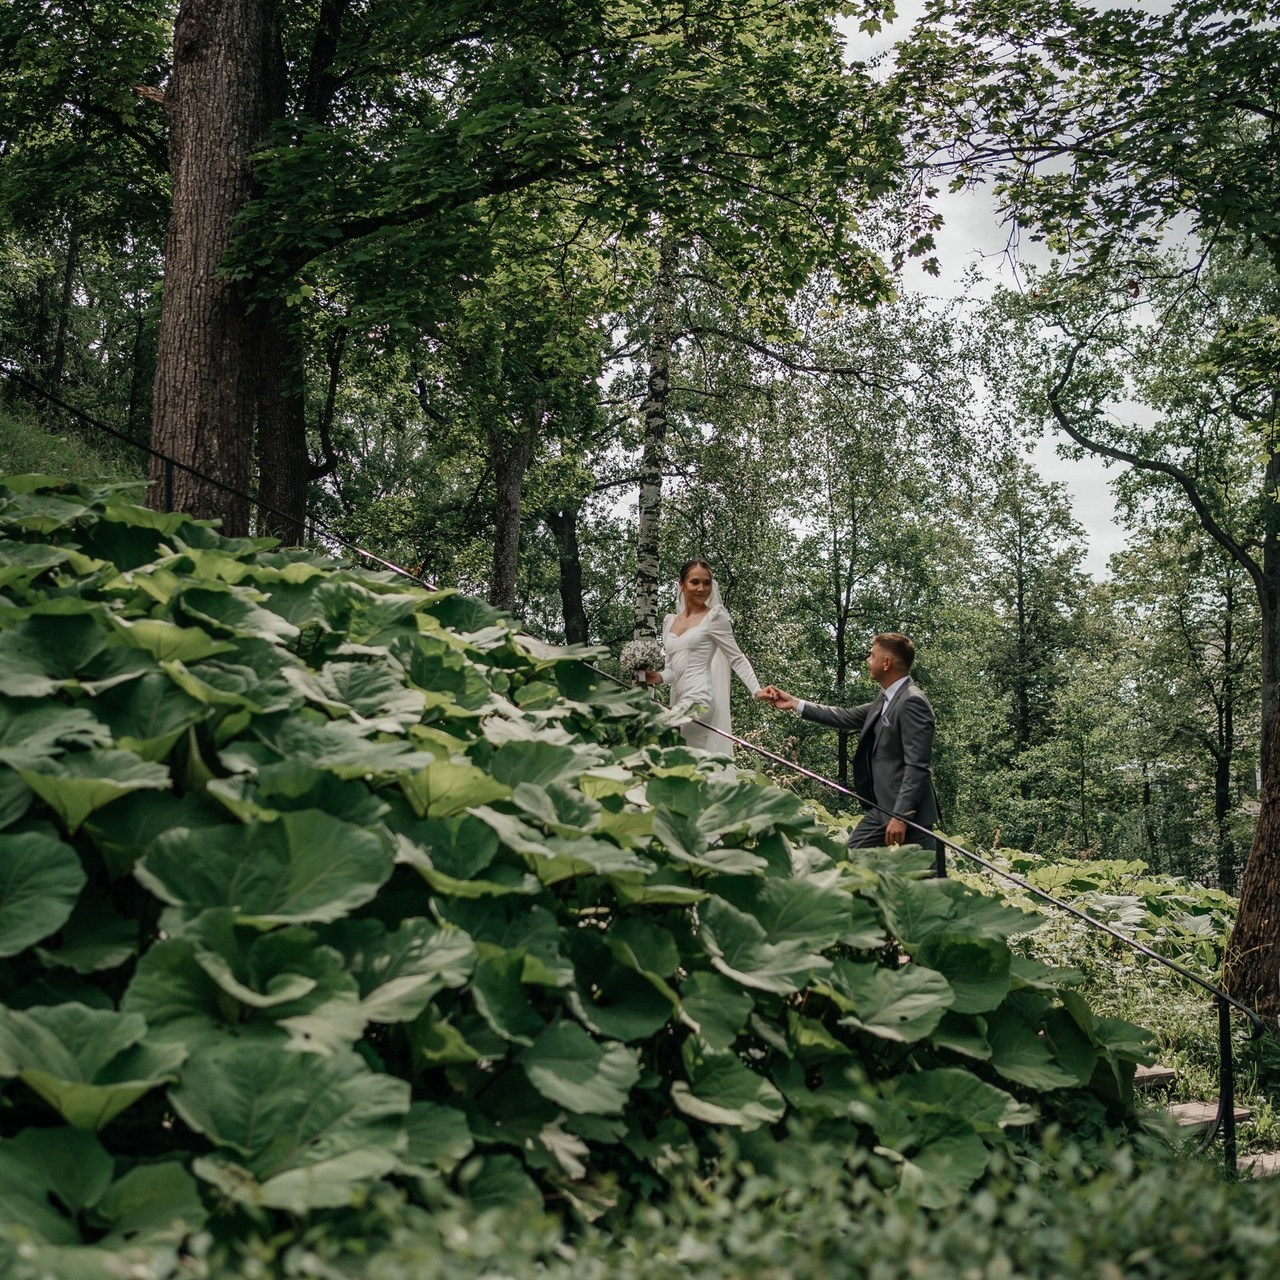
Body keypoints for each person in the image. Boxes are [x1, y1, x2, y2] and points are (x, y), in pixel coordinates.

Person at [756, 633, 939, 858]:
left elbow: (917, 766)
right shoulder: (885, 698)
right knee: (848, 863)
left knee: (932, 886)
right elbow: (844, 717)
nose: (867, 660)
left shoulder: (911, 701)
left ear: (887, 662)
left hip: (911, 816)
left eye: (872, 655)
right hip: (881, 811)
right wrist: (795, 703)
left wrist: (901, 817)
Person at [641, 558, 761, 753]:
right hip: (680, 700)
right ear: (681, 584)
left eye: (706, 583)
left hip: (701, 699)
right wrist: (657, 677)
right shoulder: (670, 622)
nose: (701, 588)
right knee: (689, 762)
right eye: (694, 582)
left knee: (656, 731)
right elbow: (672, 669)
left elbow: (736, 657)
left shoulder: (714, 617)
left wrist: (757, 690)